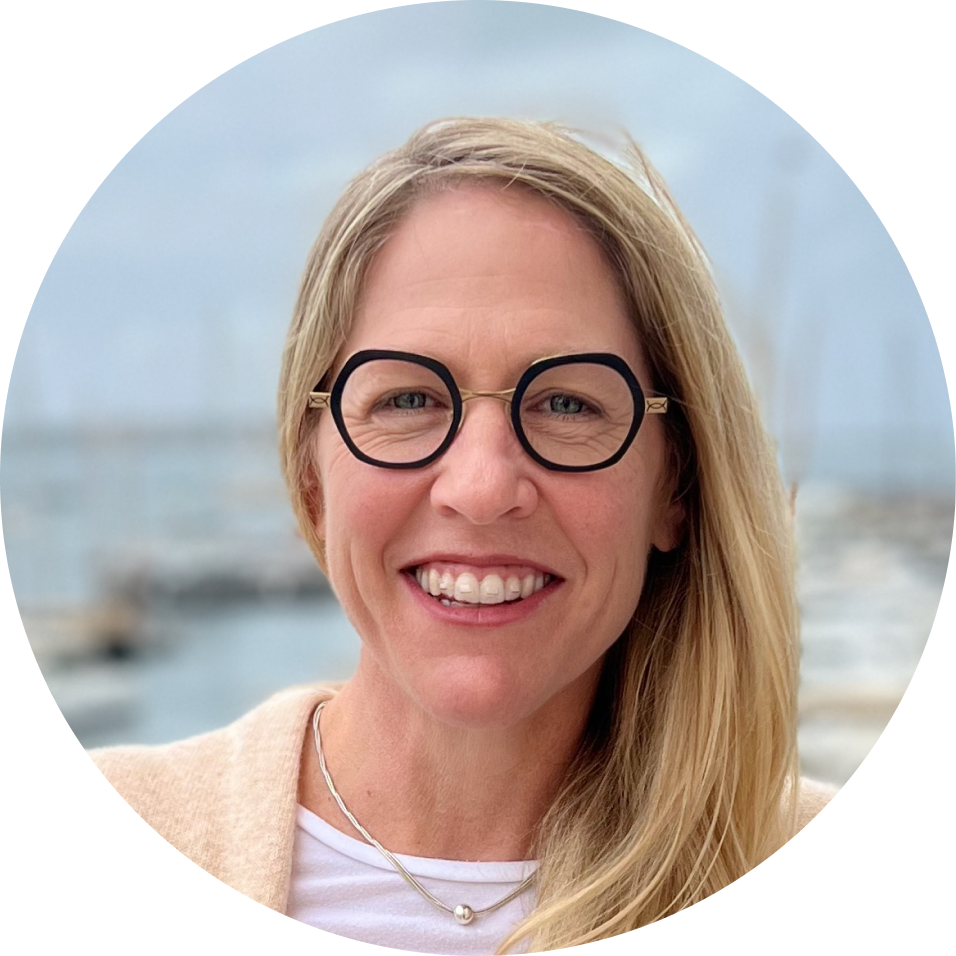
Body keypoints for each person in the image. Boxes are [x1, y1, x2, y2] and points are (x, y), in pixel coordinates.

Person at [88, 117, 834, 956]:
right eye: (408, 400)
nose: (481, 489)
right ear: (311, 474)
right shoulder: (90, 853)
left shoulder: (843, 892)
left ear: (677, 487)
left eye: (567, 404)